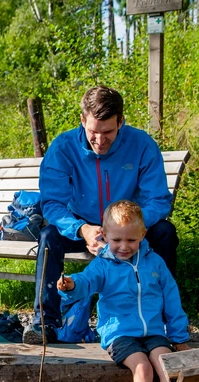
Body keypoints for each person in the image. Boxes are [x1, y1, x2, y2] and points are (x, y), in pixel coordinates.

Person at [23, 85, 179, 344]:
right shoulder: (62, 148)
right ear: (82, 120)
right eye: (93, 131)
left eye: (108, 132)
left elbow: (158, 200)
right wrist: (81, 229)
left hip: (128, 229)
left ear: (121, 121)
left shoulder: (142, 145)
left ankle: (162, 319)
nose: (99, 140)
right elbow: (52, 204)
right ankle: (45, 323)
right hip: (81, 228)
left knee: (165, 232)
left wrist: (128, 228)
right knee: (49, 235)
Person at [56, 200, 191, 382]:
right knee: (142, 369)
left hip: (153, 332)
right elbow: (86, 281)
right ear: (105, 236)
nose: (123, 247)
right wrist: (71, 285)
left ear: (143, 234)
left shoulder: (154, 263)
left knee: (167, 366)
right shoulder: (103, 265)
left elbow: (172, 300)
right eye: (117, 240)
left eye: (131, 240)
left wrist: (179, 338)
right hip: (120, 335)